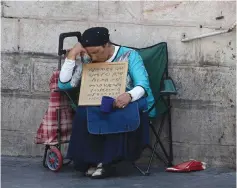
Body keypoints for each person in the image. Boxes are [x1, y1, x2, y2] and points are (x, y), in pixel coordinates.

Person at [58, 27, 156, 178]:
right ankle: (90, 160)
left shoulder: (129, 55)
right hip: (95, 100)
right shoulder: (87, 58)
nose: (93, 56)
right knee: (84, 112)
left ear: (107, 45)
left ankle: (107, 162)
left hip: (126, 100)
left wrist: (129, 95)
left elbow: (143, 85)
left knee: (114, 112)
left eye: (97, 52)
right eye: (90, 53)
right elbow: (64, 84)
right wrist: (72, 55)